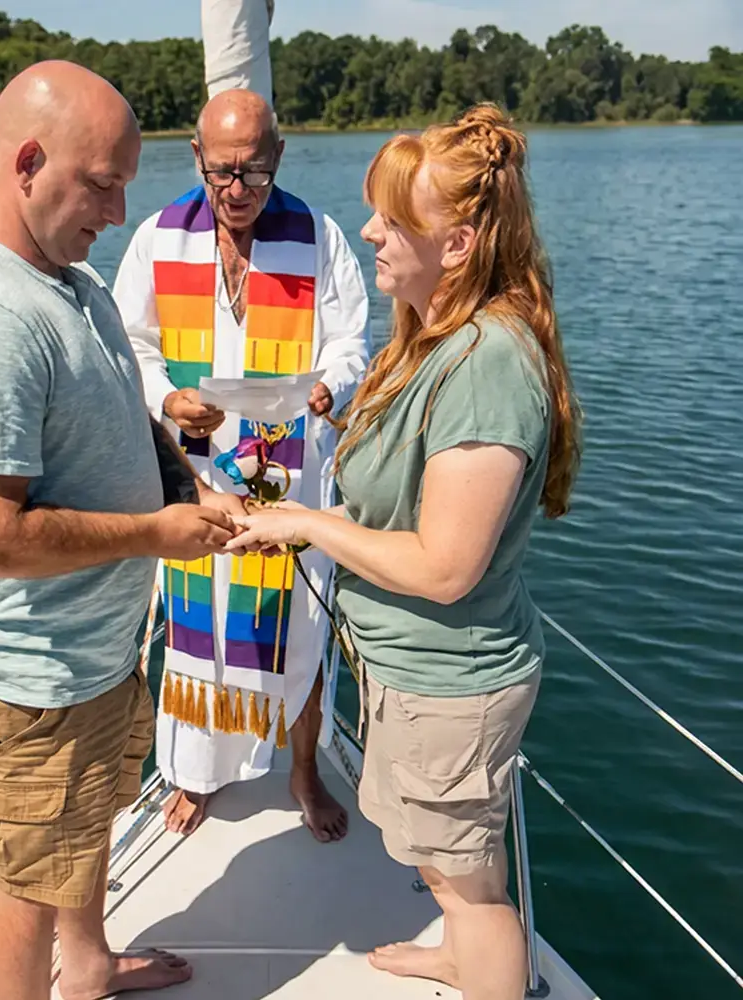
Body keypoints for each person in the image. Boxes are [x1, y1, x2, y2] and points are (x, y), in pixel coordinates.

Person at [0, 61, 238, 1000]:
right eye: (102, 184)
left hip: (87, 655)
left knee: (83, 827)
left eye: (128, 182)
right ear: (28, 161)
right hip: (20, 679)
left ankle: (87, 968)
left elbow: (116, 417)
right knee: (22, 884)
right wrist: (154, 535)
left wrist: (183, 481)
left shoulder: (66, 276)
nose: (121, 211)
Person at [228, 103, 581, 1000]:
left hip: (451, 686)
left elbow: (446, 567)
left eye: (392, 217)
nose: (369, 231)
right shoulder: (434, 341)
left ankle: (478, 961)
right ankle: (459, 958)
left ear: (457, 244)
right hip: (413, 674)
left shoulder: (488, 364)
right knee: (443, 865)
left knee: (472, 896)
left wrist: (307, 523)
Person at [112, 88, 370, 840]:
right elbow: (132, 345)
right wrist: (165, 398)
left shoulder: (316, 236)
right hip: (198, 478)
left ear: (279, 158)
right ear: (196, 157)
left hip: (288, 479)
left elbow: (350, 337)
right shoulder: (159, 238)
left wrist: (333, 384)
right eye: (222, 173)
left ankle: (302, 772)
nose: (236, 192)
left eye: (253, 174)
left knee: (298, 632)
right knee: (197, 641)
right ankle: (196, 776)